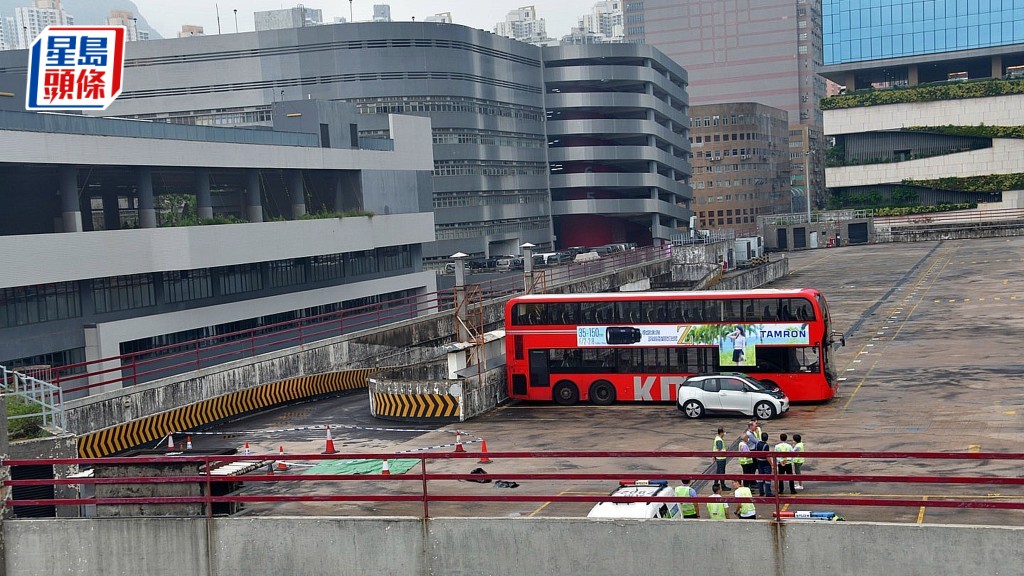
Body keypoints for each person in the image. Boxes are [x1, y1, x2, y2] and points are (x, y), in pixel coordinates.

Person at [753, 432, 774, 497]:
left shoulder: (757, 444)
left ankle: (761, 491)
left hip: (759, 462)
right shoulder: (766, 445)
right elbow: (767, 456)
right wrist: (772, 464)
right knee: (767, 478)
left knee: (760, 477)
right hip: (765, 463)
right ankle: (768, 492)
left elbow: (755, 453)